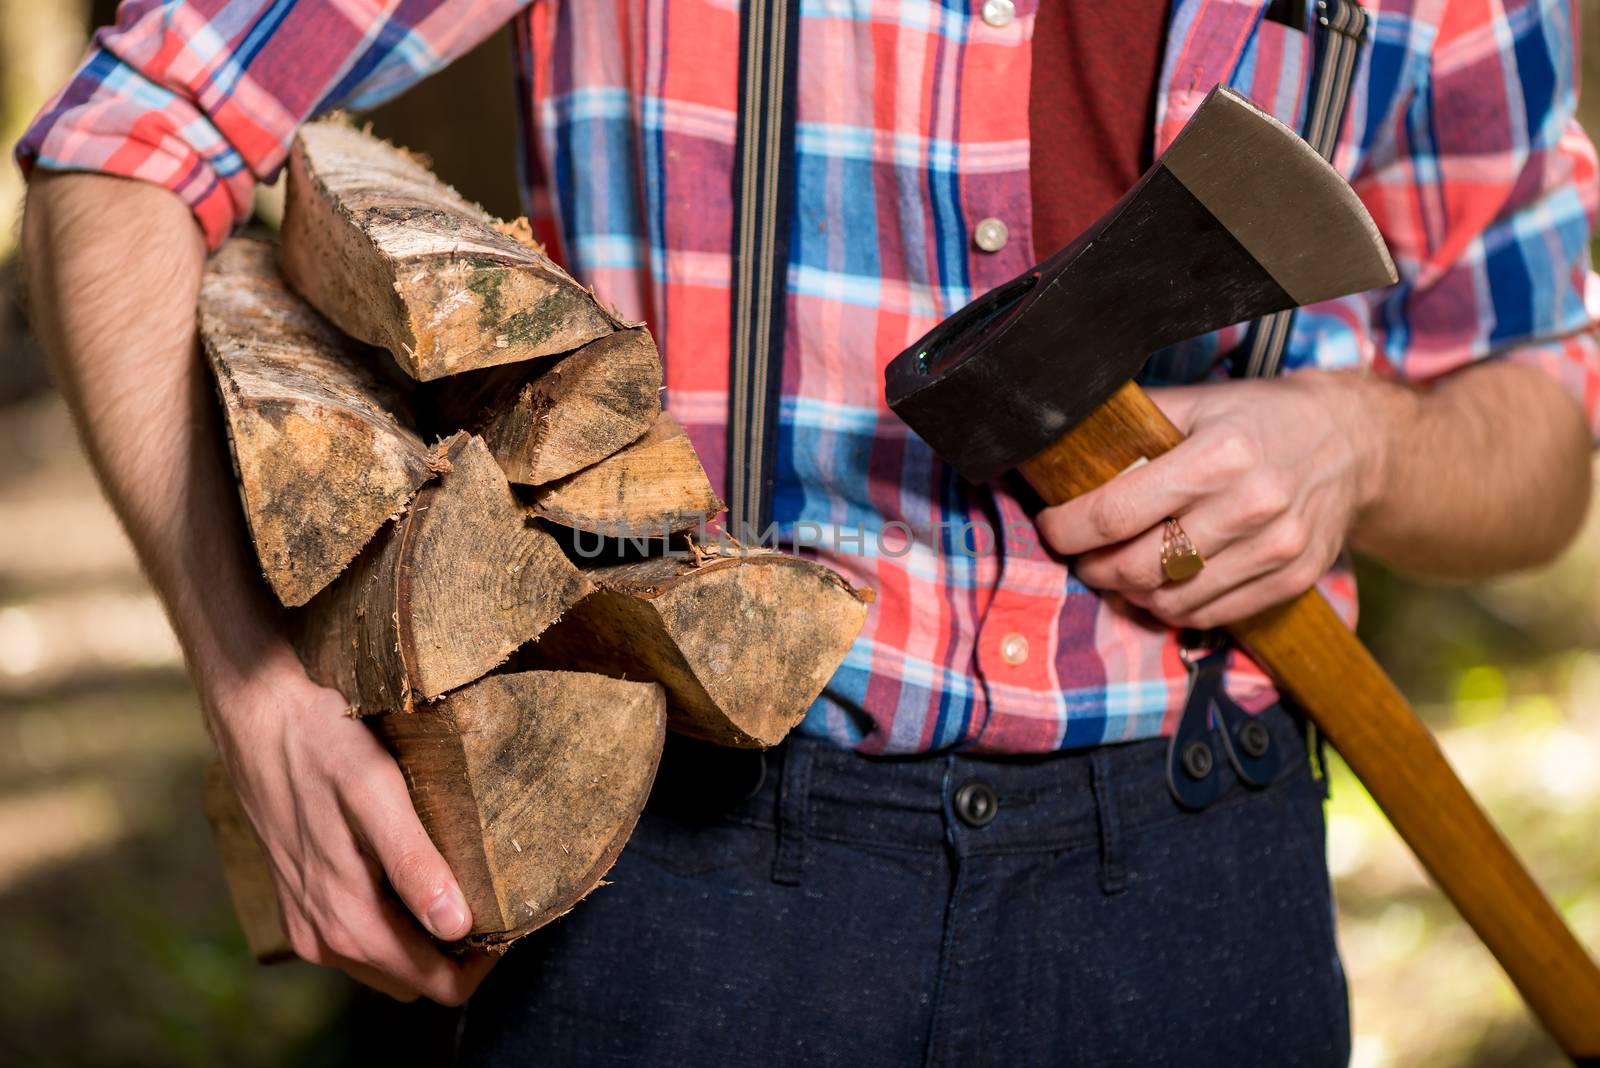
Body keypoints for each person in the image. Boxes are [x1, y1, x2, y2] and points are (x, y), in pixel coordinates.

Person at [17, 0, 1596, 1063]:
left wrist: (1363, 446)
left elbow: (1542, 411)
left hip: (1197, 890)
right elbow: (129, 138)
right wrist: (252, 688)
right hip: (672, 871)